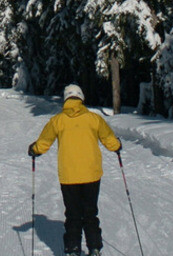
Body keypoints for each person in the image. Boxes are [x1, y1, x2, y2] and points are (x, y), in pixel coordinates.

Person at [28, 84, 121, 256]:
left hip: (69, 176)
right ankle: (94, 249)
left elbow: (44, 142)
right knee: (90, 213)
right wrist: (117, 146)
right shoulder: (94, 119)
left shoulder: (58, 120)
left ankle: (72, 250)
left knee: (73, 215)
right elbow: (109, 139)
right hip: (92, 175)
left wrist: (35, 149)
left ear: (65, 99)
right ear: (81, 98)